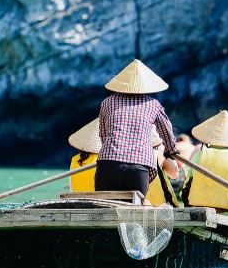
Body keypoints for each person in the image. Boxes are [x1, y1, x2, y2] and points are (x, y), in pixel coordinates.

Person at [96, 59, 178, 197]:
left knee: (105, 207)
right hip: (140, 164)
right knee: (135, 211)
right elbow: (166, 131)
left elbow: (103, 135)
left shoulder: (107, 102)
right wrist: (172, 150)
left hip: (110, 162)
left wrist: (115, 151)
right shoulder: (153, 104)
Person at [145, 130, 182, 207]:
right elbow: (174, 174)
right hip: (159, 203)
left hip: (133, 202)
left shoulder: (121, 148)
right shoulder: (159, 148)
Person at [67, 119, 101, 192]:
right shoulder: (103, 160)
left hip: (76, 200)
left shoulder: (74, 159)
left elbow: (71, 188)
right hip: (95, 201)